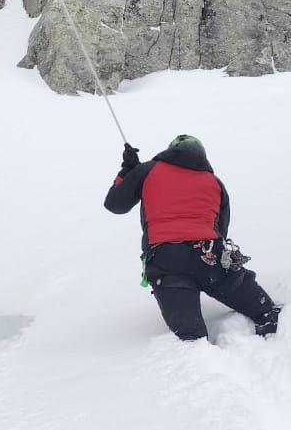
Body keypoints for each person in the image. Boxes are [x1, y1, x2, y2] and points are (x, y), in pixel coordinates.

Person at [104, 135, 281, 341]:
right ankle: (272, 325)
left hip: (166, 260)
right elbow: (221, 228)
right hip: (210, 255)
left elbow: (115, 205)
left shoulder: (148, 170)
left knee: (191, 338)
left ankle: (199, 354)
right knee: (264, 310)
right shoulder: (214, 182)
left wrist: (128, 171)